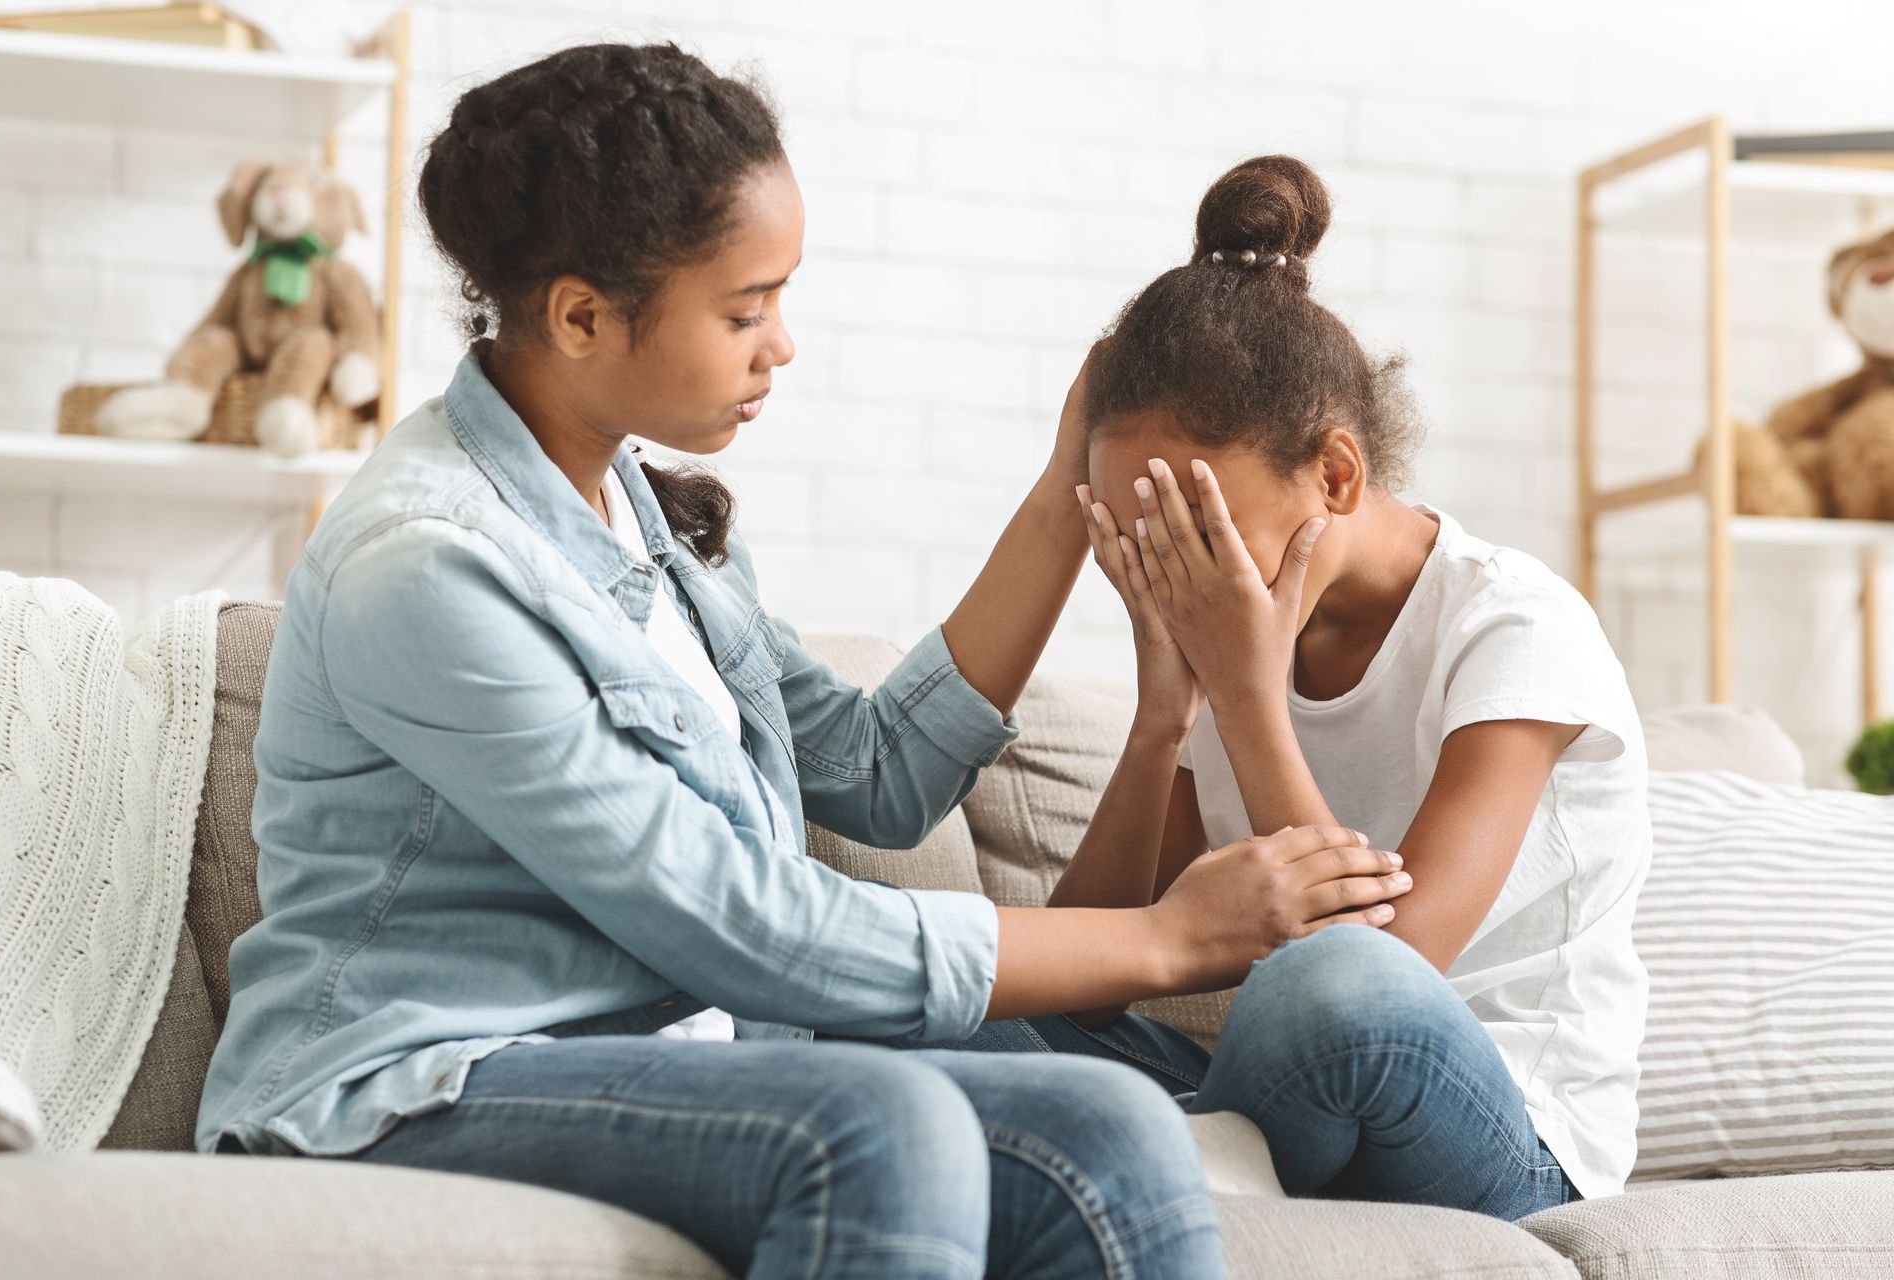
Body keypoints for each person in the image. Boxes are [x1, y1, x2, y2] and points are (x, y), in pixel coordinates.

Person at [195, 46, 1413, 1278]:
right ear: (579, 316)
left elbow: (879, 770)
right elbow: (750, 927)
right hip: (418, 1081)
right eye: (743, 308)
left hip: (666, 1059)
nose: (781, 344)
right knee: (882, 1125)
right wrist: (1169, 937)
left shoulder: (650, 524)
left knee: (1112, 1121)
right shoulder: (427, 568)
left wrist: (1064, 488)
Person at [906, 155, 1652, 1221]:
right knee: (956, 1004)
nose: (1179, 573)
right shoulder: (1229, 628)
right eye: (1145, 534)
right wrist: (1165, 717)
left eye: (1202, 528)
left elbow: (1390, 965)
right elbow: (1092, 964)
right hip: (1294, 1094)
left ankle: (1189, 1160)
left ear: (1337, 474)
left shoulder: (1514, 627)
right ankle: (1208, 1158)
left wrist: (1248, 695)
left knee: (1327, 985)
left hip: (1510, 1130)